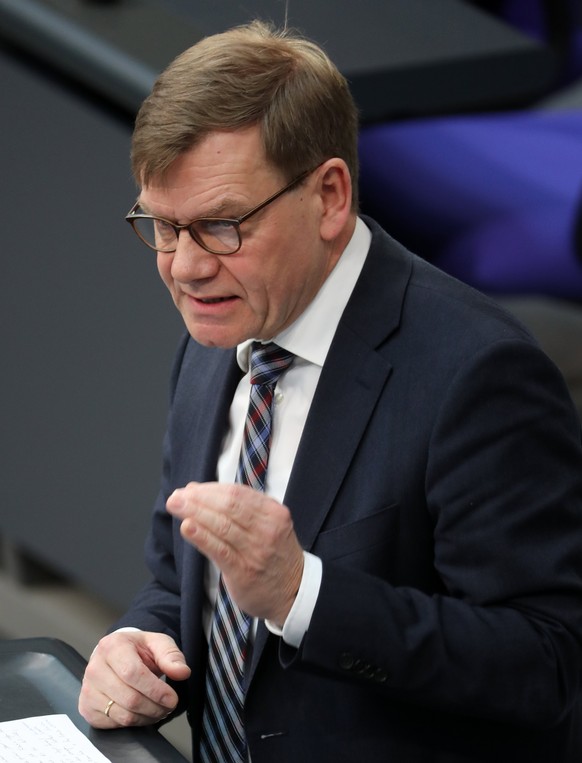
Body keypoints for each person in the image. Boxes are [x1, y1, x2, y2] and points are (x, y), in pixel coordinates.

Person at [78, 20, 582, 763]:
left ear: (330, 196)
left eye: (220, 225)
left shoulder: (477, 377)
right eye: (162, 225)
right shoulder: (219, 336)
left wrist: (302, 594)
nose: (184, 267)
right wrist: (139, 646)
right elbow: (178, 572)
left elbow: (546, 664)